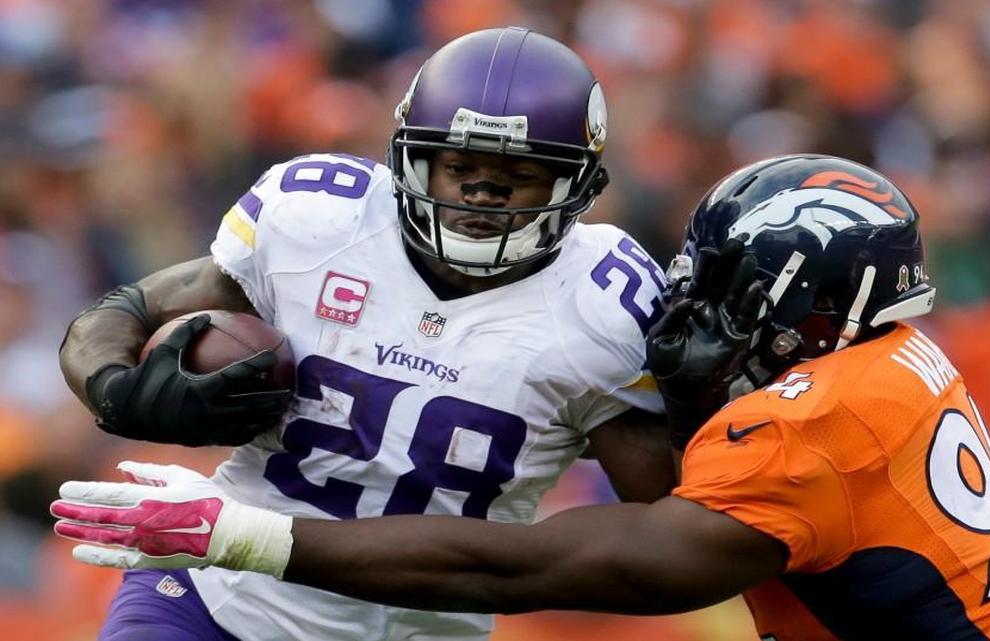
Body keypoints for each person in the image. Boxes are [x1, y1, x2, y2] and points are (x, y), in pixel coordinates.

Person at [54, 154, 990, 640]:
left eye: (725, 291)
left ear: (819, 311)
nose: (688, 308)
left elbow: (559, 562)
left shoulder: (811, 421)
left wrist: (245, 534)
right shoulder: (889, 362)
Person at [56, 26, 677, 641]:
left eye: (518, 175)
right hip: (217, 596)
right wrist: (112, 386)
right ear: (412, 157)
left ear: (577, 183)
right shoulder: (319, 220)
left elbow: (667, 523)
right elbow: (124, 311)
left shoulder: (607, 306)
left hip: (423, 626)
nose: (482, 196)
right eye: (459, 166)